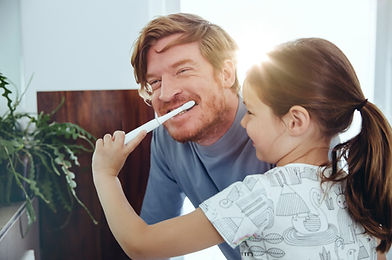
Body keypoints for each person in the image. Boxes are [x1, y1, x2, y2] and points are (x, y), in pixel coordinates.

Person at [92, 37, 392, 259]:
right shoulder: (358, 187)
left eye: (251, 112)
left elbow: (141, 244)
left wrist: (105, 175)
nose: (244, 124)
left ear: (296, 121)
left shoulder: (258, 195)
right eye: (155, 81)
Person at [130, 13, 271, 259]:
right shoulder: (166, 139)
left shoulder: (280, 126)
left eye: (183, 70)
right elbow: (156, 242)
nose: (165, 94)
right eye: (155, 82)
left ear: (226, 73)